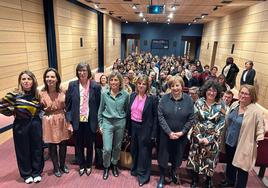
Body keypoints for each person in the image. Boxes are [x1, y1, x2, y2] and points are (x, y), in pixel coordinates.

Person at [0, 70, 44, 184]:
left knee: (37, 148)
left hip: (35, 123)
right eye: (23, 79)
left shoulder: (37, 94)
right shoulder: (14, 95)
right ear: (20, 81)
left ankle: (36, 172)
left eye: (29, 79)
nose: (26, 81)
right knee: (23, 150)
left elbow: (42, 108)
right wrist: (12, 112)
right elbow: (1, 106)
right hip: (21, 125)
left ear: (33, 81)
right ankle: (26, 173)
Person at [220, 85, 265, 188]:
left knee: (242, 169)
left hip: (243, 144)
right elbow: (228, 119)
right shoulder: (235, 104)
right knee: (230, 163)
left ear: (252, 96)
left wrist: (257, 140)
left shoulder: (256, 111)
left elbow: (260, 128)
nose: (243, 95)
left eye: (246, 94)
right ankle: (230, 181)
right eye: (241, 92)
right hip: (230, 140)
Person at [157, 76, 195, 188]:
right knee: (163, 156)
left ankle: (173, 172)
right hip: (165, 134)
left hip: (180, 136)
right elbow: (160, 116)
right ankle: (162, 176)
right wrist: (169, 132)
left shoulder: (188, 100)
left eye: (177, 85)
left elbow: (191, 118)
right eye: (172, 86)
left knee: (177, 156)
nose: (175, 88)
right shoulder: (164, 99)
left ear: (182, 86)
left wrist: (182, 132)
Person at [187, 80, 226, 188]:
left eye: (214, 91)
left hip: (213, 139)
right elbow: (194, 120)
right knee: (196, 157)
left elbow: (222, 124)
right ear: (205, 91)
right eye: (209, 90)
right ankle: (195, 179)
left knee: (210, 160)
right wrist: (199, 137)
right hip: (198, 136)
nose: (211, 93)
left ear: (217, 92)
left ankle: (208, 180)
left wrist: (210, 138)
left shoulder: (221, 105)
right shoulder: (199, 102)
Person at [65, 62, 101, 176]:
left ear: (88, 72)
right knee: (78, 144)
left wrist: (99, 122)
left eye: (84, 70)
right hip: (77, 120)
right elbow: (68, 105)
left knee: (90, 144)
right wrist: (69, 122)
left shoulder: (95, 86)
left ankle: (89, 165)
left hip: (91, 120)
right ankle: (81, 165)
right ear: (77, 72)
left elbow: (99, 105)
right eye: (80, 70)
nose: (82, 73)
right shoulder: (72, 85)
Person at [39, 68, 72, 177]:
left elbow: (68, 106)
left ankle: (62, 165)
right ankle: (56, 167)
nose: (50, 79)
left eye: (52, 77)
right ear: (44, 79)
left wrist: (69, 122)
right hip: (49, 120)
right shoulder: (41, 93)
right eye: (47, 77)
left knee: (63, 144)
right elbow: (38, 108)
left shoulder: (63, 91)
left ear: (57, 79)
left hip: (61, 119)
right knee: (52, 145)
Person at [98, 72, 129, 180]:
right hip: (107, 123)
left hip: (120, 123)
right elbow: (100, 110)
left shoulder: (125, 94)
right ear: (108, 81)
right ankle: (106, 166)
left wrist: (125, 125)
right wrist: (100, 124)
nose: (113, 82)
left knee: (117, 147)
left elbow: (126, 110)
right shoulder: (104, 94)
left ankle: (114, 164)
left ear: (120, 82)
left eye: (116, 80)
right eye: (111, 80)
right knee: (107, 148)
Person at [128, 75, 158, 187]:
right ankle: (135, 169)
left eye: (144, 84)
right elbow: (129, 113)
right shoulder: (132, 96)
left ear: (147, 86)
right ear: (136, 84)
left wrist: (153, 133)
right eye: (139, 83)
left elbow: (155, 117)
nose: (141, 85)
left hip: (145, 128)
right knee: (134, 150)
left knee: (144, 153)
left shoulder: (152, 98)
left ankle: (143, 176)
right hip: (134, 127)